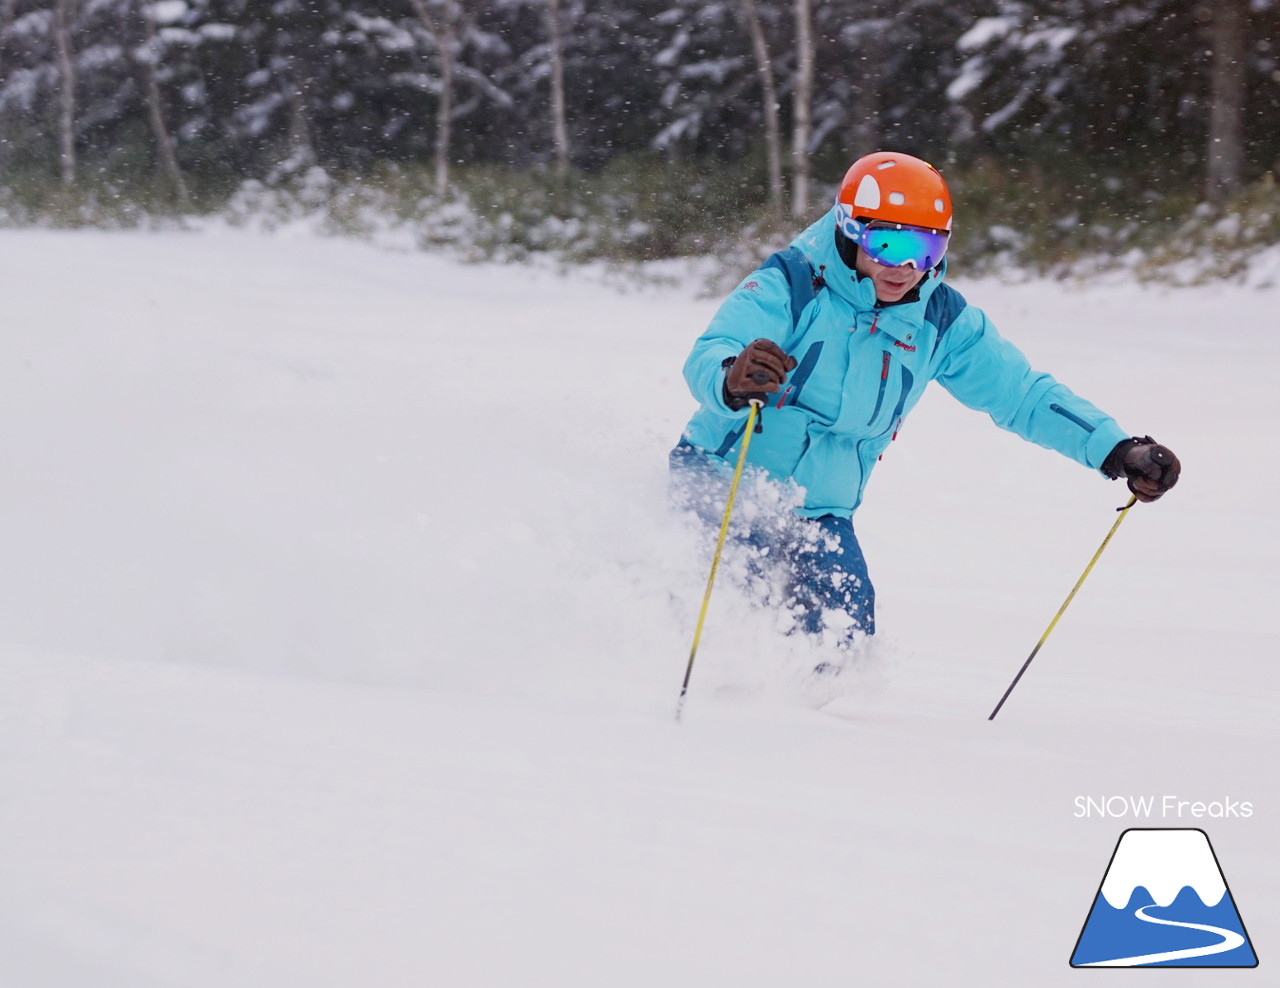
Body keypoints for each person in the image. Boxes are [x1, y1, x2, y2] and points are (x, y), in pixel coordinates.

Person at [670, 151, 1179, 647]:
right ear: (850, 230)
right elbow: (713, 351)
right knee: (734, 615)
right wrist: (731, 378)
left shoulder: (938, 320)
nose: (907, 266)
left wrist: (1116, 449)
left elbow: (1021, 394)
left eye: (928, 249)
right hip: (727, 483)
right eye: (890, 245)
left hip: (822, 510)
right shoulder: (794, 283)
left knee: (841, 640)